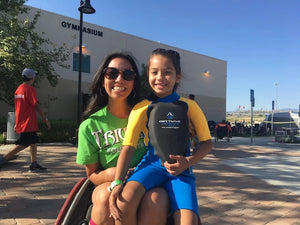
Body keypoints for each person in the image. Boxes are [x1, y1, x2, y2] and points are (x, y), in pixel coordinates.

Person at [109, 48, 213, 225]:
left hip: (181, 171)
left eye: (167, 73)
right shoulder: (141, 107)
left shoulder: (189, 106)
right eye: (154, 72)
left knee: (189, 222)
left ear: (177, 76)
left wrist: (188, 161)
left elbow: (207, 143)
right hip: (151, 166)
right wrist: (118, 181)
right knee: (122, 204)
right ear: (147, 75)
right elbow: (128, 147)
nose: (160, 78)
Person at [76, 52, 169, 225]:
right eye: (112, 73)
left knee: (157, 199)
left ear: (134, 82)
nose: (119, 79)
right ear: (103, 79)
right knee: (105, 197)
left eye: (128, 74)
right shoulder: (89, 126)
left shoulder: (148, 116)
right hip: (107, 183)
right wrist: (113, 174)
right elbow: (92, 175)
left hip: (147, 181)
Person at [0, 68, 51, 171]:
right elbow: (36, 106)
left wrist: (17, 123)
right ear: (32, 78)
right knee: (23, 144)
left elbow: (18, 107)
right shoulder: (30, 89)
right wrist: (45, 119)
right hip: (29, 122)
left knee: (33, 142)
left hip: (22, 121)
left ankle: (34, 163)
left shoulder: (18, 89)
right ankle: (3, 160)